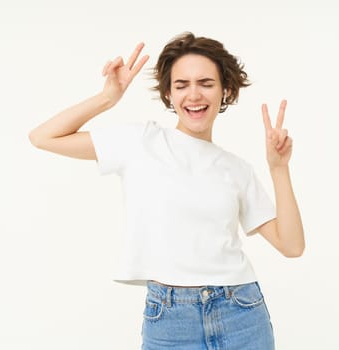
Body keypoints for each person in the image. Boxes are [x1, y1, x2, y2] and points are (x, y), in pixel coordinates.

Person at [29, 32, 304, 350]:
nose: (194, 95)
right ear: (168, 95)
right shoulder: (140, 142)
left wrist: (279, 169)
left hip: (241, 311)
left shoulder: (237, 169)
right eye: (181, 85)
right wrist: (107, 98)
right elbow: (43, 137)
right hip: (171, 321)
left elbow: (292, 245)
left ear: (225, 90)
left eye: (206, 83)